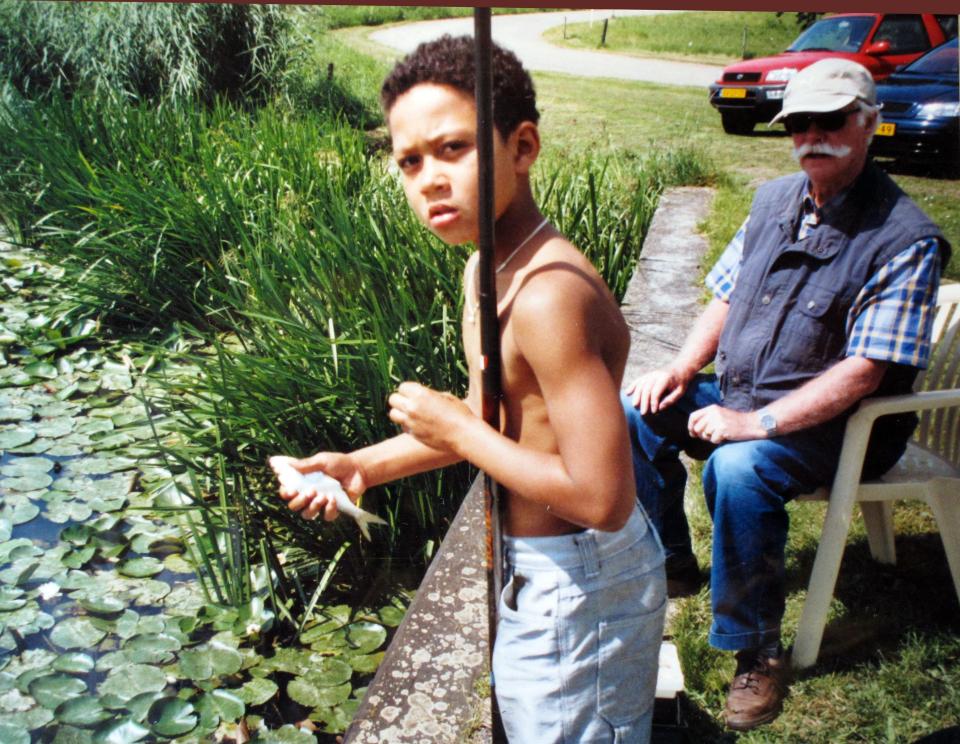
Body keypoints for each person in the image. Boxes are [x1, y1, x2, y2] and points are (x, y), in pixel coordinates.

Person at [271, 36, 666, 743]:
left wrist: (458, 431)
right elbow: (499, 423)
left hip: (581, 582)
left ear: (522, 147)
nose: (428, 179)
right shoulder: (488, 266)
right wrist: (363, 466)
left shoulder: (547, 296)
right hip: (537, 570)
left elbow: (605, 499)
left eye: (453, 149)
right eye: (410, 162)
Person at [622, 57, 950, 731]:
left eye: (831, 121)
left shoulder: (905, 238)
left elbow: (864, 372)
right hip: (751, 391)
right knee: (637, 407)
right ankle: (675, 563)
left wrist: (755, 423)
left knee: (736, 469)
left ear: (869, 124)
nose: (812, 136)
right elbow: (724, 296)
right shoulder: (775, 200)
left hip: (843, 423)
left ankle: (755, 649)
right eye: (799, 123)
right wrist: (682, 370)